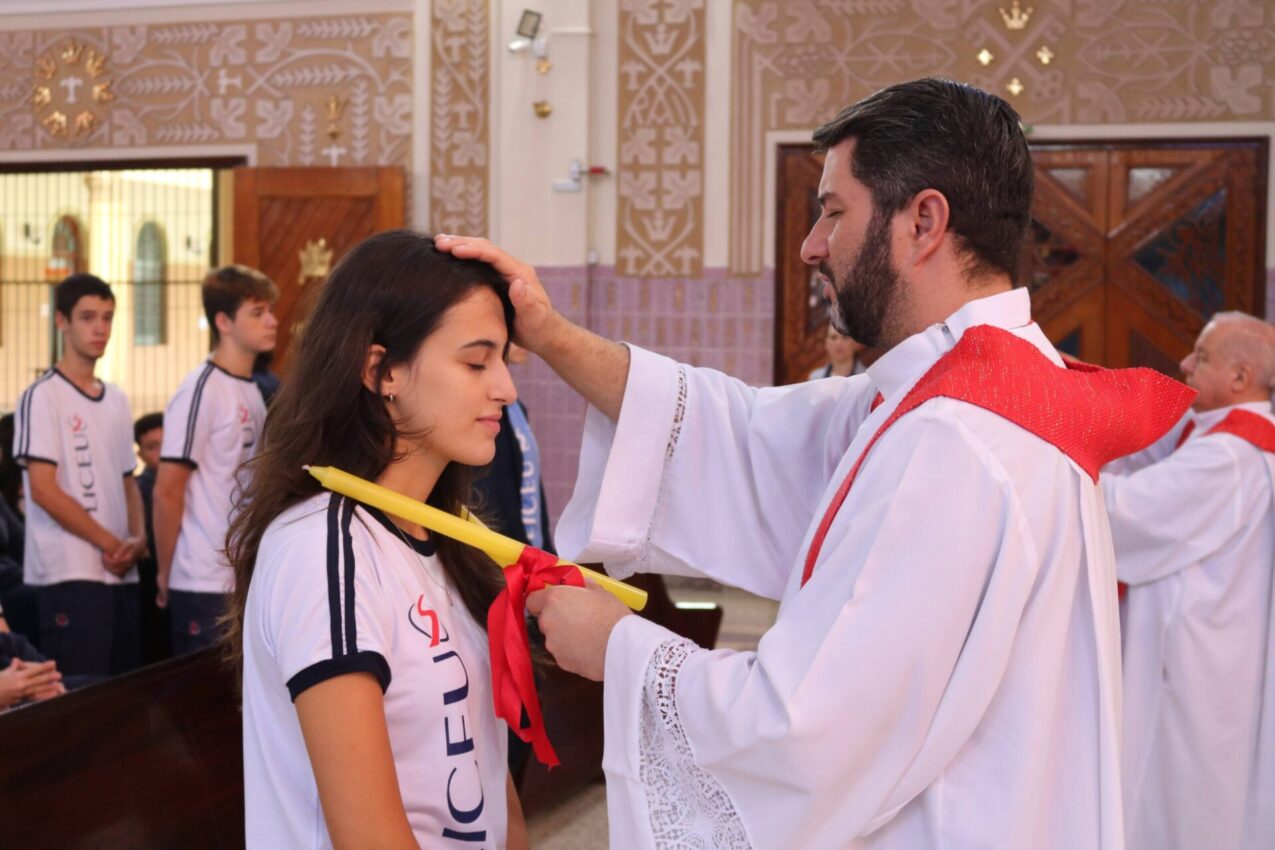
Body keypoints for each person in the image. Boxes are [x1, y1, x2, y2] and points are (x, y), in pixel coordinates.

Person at [436, 78, 1194, 849]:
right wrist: (552, 335)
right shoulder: (968, 393)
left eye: (833, 211)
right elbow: (738, 433)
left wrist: (620, 648)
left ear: (923, 222)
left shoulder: (953, 440)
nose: (811, 245)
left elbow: (805, 733)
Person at [224, 230, 528, 849]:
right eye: (476, 362)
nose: (505, 388)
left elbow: (489, 773)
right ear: (381, 371)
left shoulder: (450, 537)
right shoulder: (324, 550)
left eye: (503, 360)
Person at [1102, 312, 1275, 850]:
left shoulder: (1232, 455)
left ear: (1241, 377)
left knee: (1172, 798)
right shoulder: (1215, 433)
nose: (1183, 364)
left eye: (1201, 356)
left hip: (1193, 662)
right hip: (1210, 646)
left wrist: (1059, 464)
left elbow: (1130, 513)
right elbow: (1143, 455)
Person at [12, 273, 146, 678]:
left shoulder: (117, 398)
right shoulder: (42, 395)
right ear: (61, 322)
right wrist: (111, 544)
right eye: (88, 317)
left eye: (107, 317)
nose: (100, 328)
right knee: (83, 696)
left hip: (121, 573)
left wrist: (137, 540)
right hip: (69, 574)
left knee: (124, 695)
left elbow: (128, 481)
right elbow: (43, 490)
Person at [154, 265, 277, 655]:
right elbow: (167, 490)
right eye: (258, 313)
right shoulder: (201, 388)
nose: (272, 321)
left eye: (270, 310)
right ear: (223, 322)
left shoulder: (252, 391)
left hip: (240, 574)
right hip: (201, 580)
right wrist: (165, 571)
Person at [133, 412, 170, 663]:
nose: (161, 452)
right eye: (152, 446)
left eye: (165, 443)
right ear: (140, 454)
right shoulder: (138, 490)